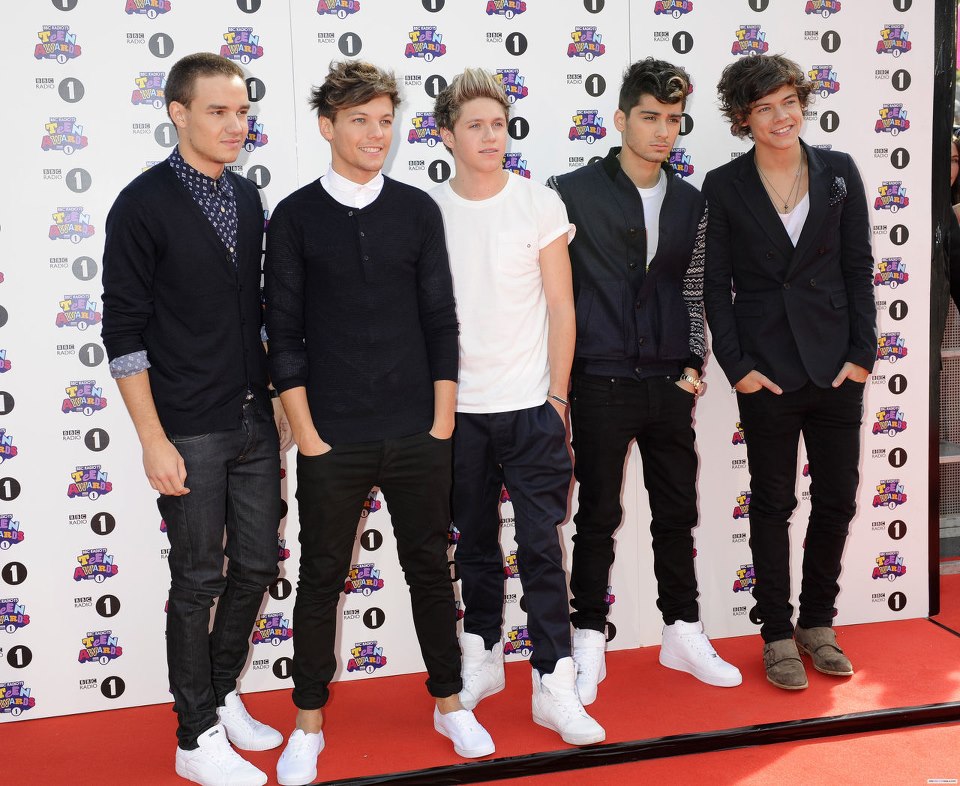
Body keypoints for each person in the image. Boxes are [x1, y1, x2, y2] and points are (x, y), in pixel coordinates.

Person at [264, 60, 494, 786]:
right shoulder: (295, 216)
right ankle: (307, 721)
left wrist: (442, 421)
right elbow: (284, 334)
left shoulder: (417, 210)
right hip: (330, 437)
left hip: (417, 433)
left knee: (430, 570)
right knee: (321, 579)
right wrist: (306, 434)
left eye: (385, 120)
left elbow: (440, 319)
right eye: (359, 119)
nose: (375, 133)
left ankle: (449, 702)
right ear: (327, 126)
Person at [101, 52, 286, 786]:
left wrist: (277, 402)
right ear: (178, 114)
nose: (235, 125)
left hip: (252, 417)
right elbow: (123, 332)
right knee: (198, 580)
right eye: (218, 111)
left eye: (242, 112)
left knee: (259, 564)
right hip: (188, 426)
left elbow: (253, 314)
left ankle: (219, 691)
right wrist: (152, 438)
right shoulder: (141, 204)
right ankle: (194, 733)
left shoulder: (246, 197)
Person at [548, 57, 742, 706]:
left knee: (676, 512)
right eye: (651, 117)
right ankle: (586, 639)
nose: (663, 131)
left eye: (674, 119)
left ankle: (681, 630)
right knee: (597, 515)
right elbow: (551, 294)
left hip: (668, 383)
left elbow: (693, 290)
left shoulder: (691, 201)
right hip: (599, 380)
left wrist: (692, 365)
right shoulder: (568, 192)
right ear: (620, 119)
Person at [432, 68, 605, 746]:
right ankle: (481, 656)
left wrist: (557, 397)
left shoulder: (539, 204)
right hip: (458, 415)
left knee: (540, 547)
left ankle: (553, 680)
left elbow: (562, 307)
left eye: (498, 125)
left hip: (533, 408)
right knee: (473, 544)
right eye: (474, 125)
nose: (490, 136)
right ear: (446, 134)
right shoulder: (428, 213)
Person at [702, 54, 876, 690]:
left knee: (836, 499)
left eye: (789, 103)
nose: (781, 117)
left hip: (837, 369)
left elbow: (857, 267)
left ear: (803, 103)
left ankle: (817, 624)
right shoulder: (724, 186)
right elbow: (715, 286)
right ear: (743, 119)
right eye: (764, 108)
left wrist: (863, 354)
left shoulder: (840, 172)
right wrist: (738, 367)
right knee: (773, 503)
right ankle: (776, 632)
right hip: (767, 372)